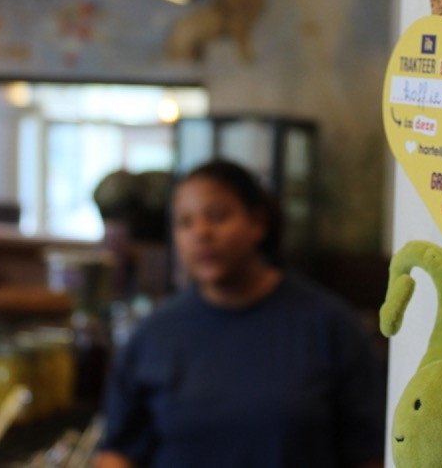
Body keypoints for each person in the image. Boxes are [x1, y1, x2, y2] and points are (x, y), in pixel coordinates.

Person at [95, 159, 385, 467]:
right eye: (185, 222)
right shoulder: (153, 335)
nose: (201, 232)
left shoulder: (329, 326)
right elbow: (117, 452)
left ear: (257, 223)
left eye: (217, 216)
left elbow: (370, 454)